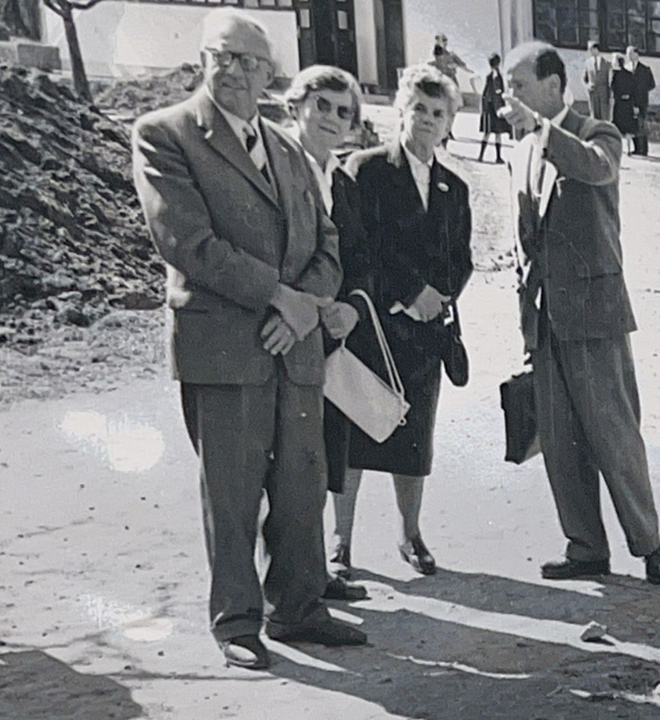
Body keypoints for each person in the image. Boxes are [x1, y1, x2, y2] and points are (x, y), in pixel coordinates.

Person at [131, 9, 366, 671]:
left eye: (248, 61)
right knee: (231, 493)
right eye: (221, 56)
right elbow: (186, 241)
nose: (233, 70)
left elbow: (326, 243)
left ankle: (300, 607)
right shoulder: (165, 134)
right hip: (227, 348)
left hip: (293, 346)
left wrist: (305, 307)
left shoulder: (287, 147)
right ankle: (237, 622)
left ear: (270, 73)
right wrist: (281, 296)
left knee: (300, 484)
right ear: (202, 60)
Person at [498, 41, 660, 585]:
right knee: (560, 441)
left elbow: (596, 170)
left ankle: (650, 546)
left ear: (554, 85)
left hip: (595, 314)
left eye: (519, 84)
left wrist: (544, 132)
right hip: (546, 316)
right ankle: (585, 547)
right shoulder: (523, 150)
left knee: (615, 435)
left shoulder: (600, 133)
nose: (511, 96)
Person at [330, 64, 474, 579]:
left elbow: (462, 257)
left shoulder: (453, 188)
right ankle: (340, 542)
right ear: (400, 111)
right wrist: (409, 293)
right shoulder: (364, 169)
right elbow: (360, 244)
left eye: (440, 113)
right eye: (420, 109)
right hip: (373, 323)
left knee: (414, 442)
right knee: (354, 434)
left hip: (424, 334)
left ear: (450, 121)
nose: (429, 121)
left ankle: (410, 535)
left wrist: (439, 297)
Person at [281, 64, 374, 604]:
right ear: (296, 106)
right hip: (283, 332)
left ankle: (313, 575)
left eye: (344, 112)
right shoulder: (275, 165)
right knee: (285, 466)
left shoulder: (342, 179)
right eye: (322, 106)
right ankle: (292, 585)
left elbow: (357, 258)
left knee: (315, 462)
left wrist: (352, 311)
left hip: (330, 339)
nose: (332, 120)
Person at [473, 52, 511, 164]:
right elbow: (497, 89)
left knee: (488, 132)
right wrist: (500, 94)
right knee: (497, 133)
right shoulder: (496, 74)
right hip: (495, 106)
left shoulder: (490, 74)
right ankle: (497, 157)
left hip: (489, 105)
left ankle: (481, 155)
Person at [627, 46, 655, 157]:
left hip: (641, 101)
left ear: (636, 54)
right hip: (630, 102)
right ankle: (636, 148)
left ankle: (643, 149)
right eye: (627, 54)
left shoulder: (645, 69)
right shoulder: (627, 68)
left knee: (641, 125)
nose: (629, 56)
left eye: (631, 53)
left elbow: (651, 84)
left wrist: (641, 92)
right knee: (632, 125)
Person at [609, 55, 638, 153]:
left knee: (617, 125)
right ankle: (629, 148)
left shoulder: (615, 74)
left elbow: (613, 88)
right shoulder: (629, 74)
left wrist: (618, 96)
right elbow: (634, 89)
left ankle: (617, 148)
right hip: (628, 103)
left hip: (619, 103)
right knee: (628, 127)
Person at [583, 41, 611, 121]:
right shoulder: (588, 63)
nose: (589, 51)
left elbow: (610, 80)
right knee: (594, 116)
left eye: (591, 49)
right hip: (593, 93)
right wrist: (588, 86)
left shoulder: (607, 63)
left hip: (603, 93)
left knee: (604, 115)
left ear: (596, 49)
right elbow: (585, 78)